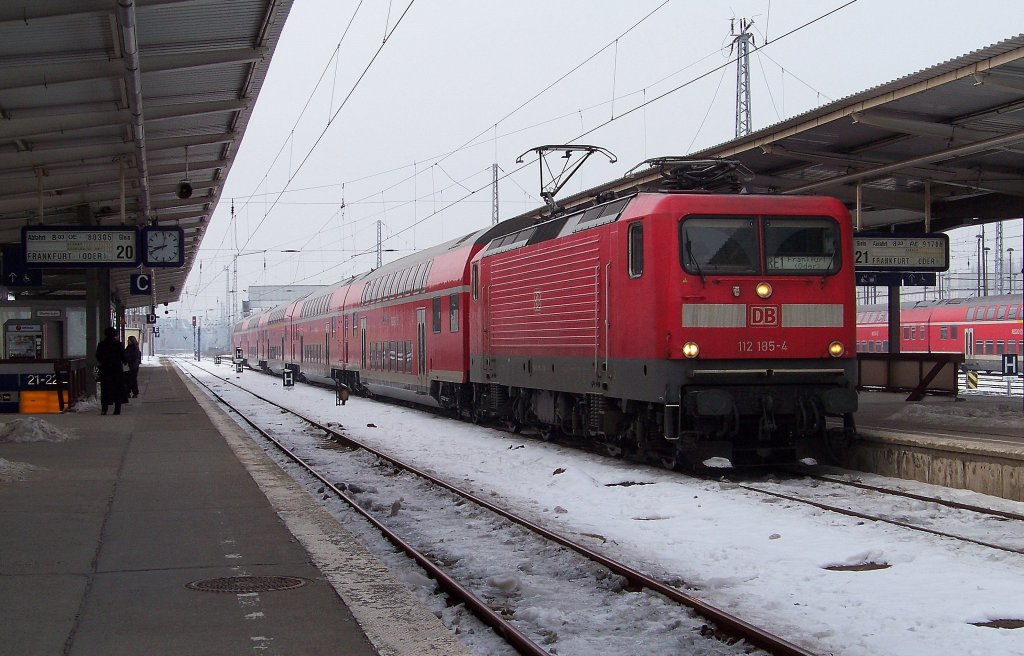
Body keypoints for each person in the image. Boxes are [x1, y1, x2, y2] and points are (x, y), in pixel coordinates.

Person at [95, 327, 127, 415]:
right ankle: (117, 410)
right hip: (117, 370)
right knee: (117, 389)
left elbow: (98, 356)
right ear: (114, 334)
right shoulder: (118, 344)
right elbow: (123, 357)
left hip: (106, 370)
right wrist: (124, 361)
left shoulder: (101, 344)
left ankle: (104, 409)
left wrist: (104, 362)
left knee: (105, 389)